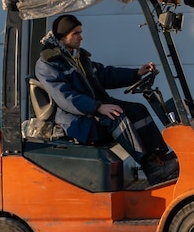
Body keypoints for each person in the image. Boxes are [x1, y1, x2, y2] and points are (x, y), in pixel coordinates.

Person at [35, 14, 178, 186]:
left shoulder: (77, 57)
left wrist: (136, 73)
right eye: (76, 33)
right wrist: (98, 107)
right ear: (62, 36)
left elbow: (104, 75)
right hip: (78, 120)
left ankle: (159, 158)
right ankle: (152, 169)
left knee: (138, 110)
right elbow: (66, 99)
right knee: (116, 115)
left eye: (80, 32)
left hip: (93, 111)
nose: (81, 37)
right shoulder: (48, 64)